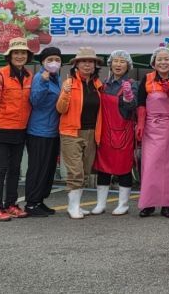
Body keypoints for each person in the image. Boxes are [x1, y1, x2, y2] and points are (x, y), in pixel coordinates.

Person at [0, 37, 34, 221]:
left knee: (15, 169)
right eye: (16, 53)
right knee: (0, 169)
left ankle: (11, 204)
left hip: (20, 129)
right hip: (0, 127)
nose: (20, 56)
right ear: (10, 55)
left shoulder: (29, 75)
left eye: (23, 53)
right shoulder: (0, 74)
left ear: (27, 56)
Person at [136, 47, 169, 218]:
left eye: (166, 59)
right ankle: (148, 204)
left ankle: (167, 204)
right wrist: (140, 124)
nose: (163, 62)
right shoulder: (147, 78)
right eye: (159, 59)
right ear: (153, 63)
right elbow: (141, 103)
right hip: (151, 127)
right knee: (150, 165)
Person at [56, 47, 104, 219]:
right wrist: (66, 93)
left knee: (84, 171)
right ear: (76, 64)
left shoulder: (97, 85)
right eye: (83, 61)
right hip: (71, 132)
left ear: (95, 65)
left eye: (91, 61)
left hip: (91, 133)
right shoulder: (69, 83)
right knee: (75, 171)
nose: (87, 64)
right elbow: (60, 109)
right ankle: (72, 207)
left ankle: (76, 205)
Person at [91, 50, 138, 216]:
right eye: (115, 61)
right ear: (110, 64)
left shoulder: (132, 84)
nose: (118, 65)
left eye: (122, 62)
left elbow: (133, 108)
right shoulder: (103, 84)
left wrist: (128, 98)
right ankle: (100, 204)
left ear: (128, 66)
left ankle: (123, 204)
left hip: (123, 132)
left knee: (124, 167)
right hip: (104, 132)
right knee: (103, 168)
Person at [25, 46, 63, 217]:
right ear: (43, 62)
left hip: (53, 131)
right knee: (37, 168)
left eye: (57, 60)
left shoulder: (57, 78)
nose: (54, 63)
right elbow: (35, 101)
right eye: (50, 60)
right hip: (39, 131)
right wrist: (44, 82)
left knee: (48, 169)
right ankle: (31, 203)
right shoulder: (40, 77)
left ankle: (40, 200)